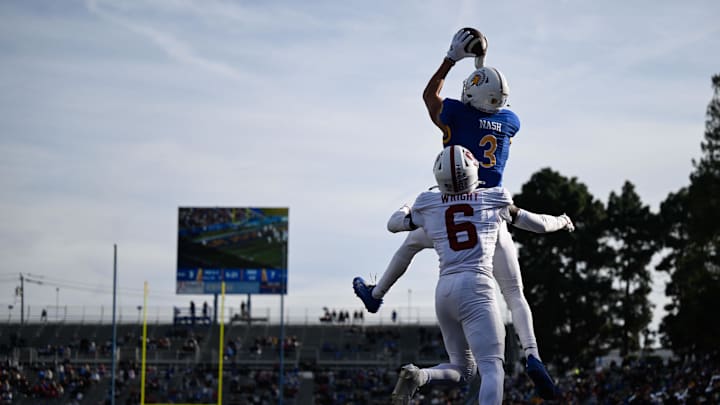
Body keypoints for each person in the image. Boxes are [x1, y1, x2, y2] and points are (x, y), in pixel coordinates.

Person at [354, 28, 565, 400]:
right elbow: (533, 221)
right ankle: (533, 354)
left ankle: (377, 292)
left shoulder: (450, 131)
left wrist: (453, 58)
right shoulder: (510, 123)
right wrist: (562, 221)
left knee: (409, 244)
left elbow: (430, 97)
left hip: (446, 216)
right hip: (488, 216)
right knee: (514, 292)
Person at [374, 146, 572, 404]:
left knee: (464, 369)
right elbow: (537, 224)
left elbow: (394, 224)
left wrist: (404, 207)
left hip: (444, 291)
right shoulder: (494, 198)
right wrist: (562, 220)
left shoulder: (427, 203)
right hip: (477, 287)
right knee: (492, 368)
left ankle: (420, 376)